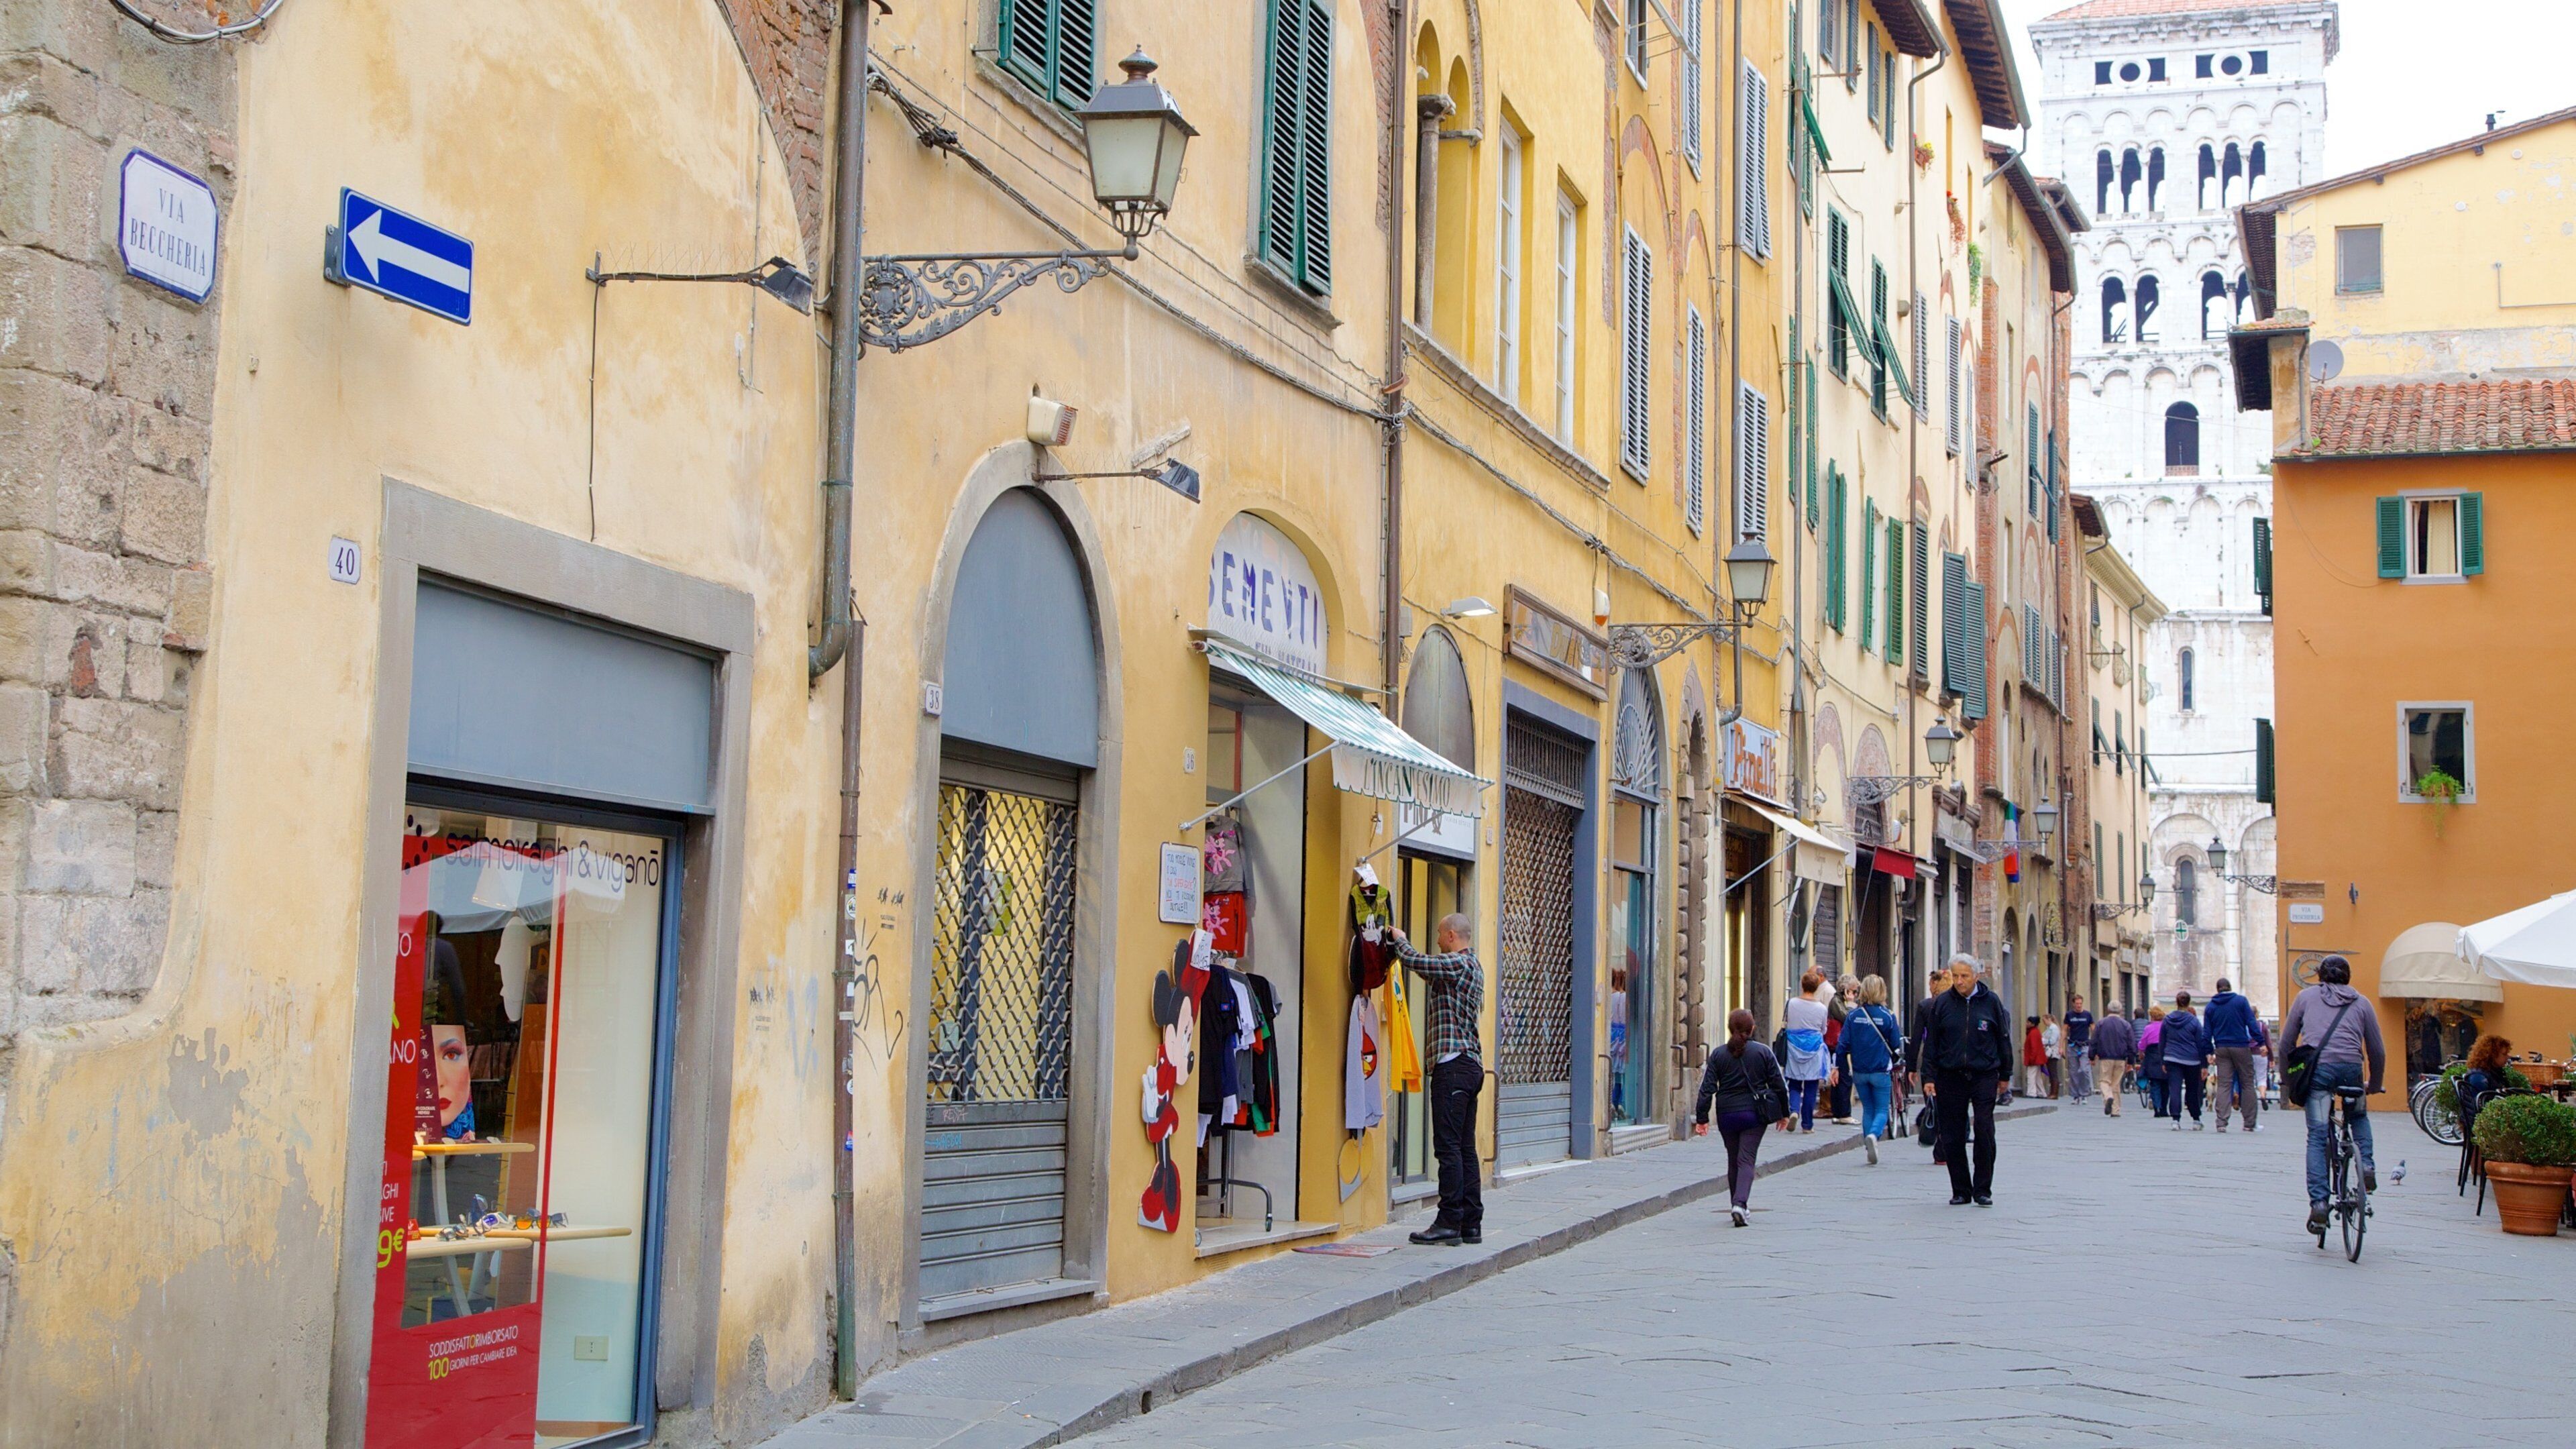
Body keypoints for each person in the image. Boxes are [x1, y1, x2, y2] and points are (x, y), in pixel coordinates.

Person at [1393, 914, 1487, 1246]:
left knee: (1448, 1149)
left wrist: (1399, 939)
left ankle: (1448, 1221)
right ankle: (1470, 1223)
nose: (1436, 940)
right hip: (1470, 1066)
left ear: (1450, 936)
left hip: (1454, 1065)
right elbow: (1424, 970)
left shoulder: (1458, 963)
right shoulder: (1470, 966)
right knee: (1464, 1149)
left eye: (1438, 935)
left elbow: (1417, 960)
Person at [2278, 955, 2386, 1233]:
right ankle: (2368, 1167)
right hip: (2352, 1071)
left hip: (2319, 1073)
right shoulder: (2362, 1003)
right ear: (2348, 977)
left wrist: (2285, 1080)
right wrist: (2374, 1084)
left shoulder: (2305, 998)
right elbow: (2377, 1050)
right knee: (2358, 1117)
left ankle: (2319, 1204)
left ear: (2321, 976)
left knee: (2317, 1136)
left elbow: (2286, 1044)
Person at [1919, 953, 2013, 1205]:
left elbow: (2003, 1038)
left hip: (1984, 1074)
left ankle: (1983, 1189)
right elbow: (1932, 1043)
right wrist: (1928, 1076)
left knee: (1984, 1130)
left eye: (1965, 976)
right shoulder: (1943, 1004)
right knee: (1952, 1135)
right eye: (1956, 976)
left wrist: (2005, 1074)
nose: (1960, 982)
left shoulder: (1991, 1002)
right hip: (1950, 1076)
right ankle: (1961, 1189)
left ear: (1976, 977)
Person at [1695, 1007, 1792, 1226]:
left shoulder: (1718, 1055)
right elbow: (1779, 1085)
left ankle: (1736, 1205)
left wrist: (1702, 1118)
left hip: (1726, 1114)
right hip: (1753, 1114)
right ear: (1753, 1028)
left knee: (1733, 1159)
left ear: (1730, 1029)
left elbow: (1706, 1089)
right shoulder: (1764, 1052)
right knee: (1746, 1159)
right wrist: (1784, 1114)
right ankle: (1740, 1204)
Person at [1835, 975, 1905, 1164]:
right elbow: (1895, 1045)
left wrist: (1839, 1067)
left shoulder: (1853, 1016)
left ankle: (1869, 1148)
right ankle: (1874, 1136)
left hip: (1859, 1071)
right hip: (1881, 1070)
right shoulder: (1888, 1016)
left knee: (1868, 1109)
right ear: (1882, 991)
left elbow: (1842, 1045)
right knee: (1882, 1109)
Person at [1907, 962, 1953, 1167]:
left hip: (1930, 1063)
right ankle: (1944, 1150)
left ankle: (1939, 1149)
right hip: (1952, 1063)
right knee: (1950, 1109)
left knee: (1933, 1106)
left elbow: (1916, 1038)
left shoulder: (1926, 1006)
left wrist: (1911, 1067)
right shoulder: (1956, 1004)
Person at [2204, 977, 2263, 1133]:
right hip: (2241, 1046)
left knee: (2224, 1084)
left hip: (2221, 1048)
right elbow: (2252, 1023)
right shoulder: (2241, 1002)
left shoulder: (2210, 1007)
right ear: (2230, 988)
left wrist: (2208, 1051)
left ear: (2218, 990)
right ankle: (2249, 1123)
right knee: (2247, 1083)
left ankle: (2221, 1122)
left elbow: (2207, 1033)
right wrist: (2261, 1042)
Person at [1780, 971, 1834, 1133]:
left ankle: (1794, 1110)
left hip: (1794, 1048)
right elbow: (1824, 1030)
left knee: (1794, 1084)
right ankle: (1807, 1125)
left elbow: (1786, 1023)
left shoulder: (1791, 1003)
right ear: (1817, 986)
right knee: (1811, 1086)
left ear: (1802, 985)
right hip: (1814, 1050)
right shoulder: (1821, 1008)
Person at [2161, 992, 2209, 1130]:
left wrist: (2163, 1061)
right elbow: (2200, 1043)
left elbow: (2162, 1041)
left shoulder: (2167, 1020)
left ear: (2176, 1002)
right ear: (2189, 1003)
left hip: (2172, 1058)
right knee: (2192, 1090)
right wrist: (2204, 1065)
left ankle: (2176, 1120)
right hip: (2192, 1060)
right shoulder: (2194, 1021)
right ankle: (2196, 1119)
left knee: (2175, 1089)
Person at [2088, 1006, 2136, 1116]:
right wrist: (2131, 1062)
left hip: (2106, 1058)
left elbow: (2094, 1041)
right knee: (2116, 1083)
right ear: (2120, 1011)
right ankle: (2116, 1110)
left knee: (2105, 1081)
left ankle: (2108, 1097)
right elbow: (2132, 1044)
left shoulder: (2101, 1023)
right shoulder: (2126, 1025)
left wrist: (2092, 1056)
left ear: (2108, 1010)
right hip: (2121, 1059)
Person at [1829, 973, 1863, 1124]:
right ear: (1846, 990)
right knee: (1844, 1079)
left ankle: (1838, 1113)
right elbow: (1849, 1019)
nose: (1855, 995)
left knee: (1839, 1079)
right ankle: (1844, 1114)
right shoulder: (1837, 1002)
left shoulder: (1838, 1001)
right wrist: (1850, 1004)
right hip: (1839, 1045)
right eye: (1853, 991)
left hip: (1840, 1045)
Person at [2065, 996, 2096, 1104]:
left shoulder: (2087, 1015)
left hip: (2085, 1046)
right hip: (2073, 1045)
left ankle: (2084, 1094)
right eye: (2077, 1004)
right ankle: (2075, 1095)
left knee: (2084, 1070)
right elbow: (2064, 1030)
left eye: (2080, 1004)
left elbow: (2094, 1030)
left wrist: (2095, 1044)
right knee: (2073, 1072)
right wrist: (2061, 1046)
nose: (2079, 1006)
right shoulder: (2069, 1015)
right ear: (2073, 1004)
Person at [2139, 1010, 2168, 1118]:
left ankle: (2157, 1108)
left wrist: (2141, 1052)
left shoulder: (2148, 1028)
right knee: (2166, 1084)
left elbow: (2142, 1043)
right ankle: (2165, 1109)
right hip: (2165, 1055)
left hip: (2152, 1056)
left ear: (2152, 1017)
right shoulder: (2167, 1027)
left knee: (2155, 1084)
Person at [2022, 1016, 2049, 1099]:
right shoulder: (2036, 1032)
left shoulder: (2033, 1033)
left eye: (2028, 1023)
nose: (2027, 1024)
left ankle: (2031, 1093)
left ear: (2032, 1024)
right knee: (2037, 1077)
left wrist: (2031, 1059)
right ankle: (2042, 1093)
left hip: (2034, 1059)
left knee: (2031, 1075)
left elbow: (2034, 1047)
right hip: (2038, 1058)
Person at [2041, 1014, 2065, 1098]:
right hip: (2050, 1053)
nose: (2044, 1022)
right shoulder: (2050, 1029)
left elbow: (2052, 1041)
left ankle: (2054, 1093)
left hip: (2053, 1053)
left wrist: (2042, 1040)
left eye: (2044, 1020)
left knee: (2053, 1072)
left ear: (2049, 1019)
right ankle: (2052, 1092)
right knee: (2051, 1072)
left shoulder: (2053, 1029)